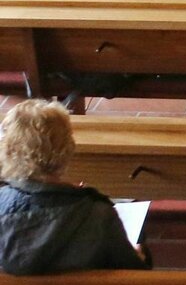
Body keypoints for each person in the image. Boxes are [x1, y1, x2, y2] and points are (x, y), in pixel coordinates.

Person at [0, 100, 150, 275]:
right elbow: (131, 272)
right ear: (67, 148)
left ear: (8, 150)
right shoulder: (97, 214)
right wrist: (141, 257)